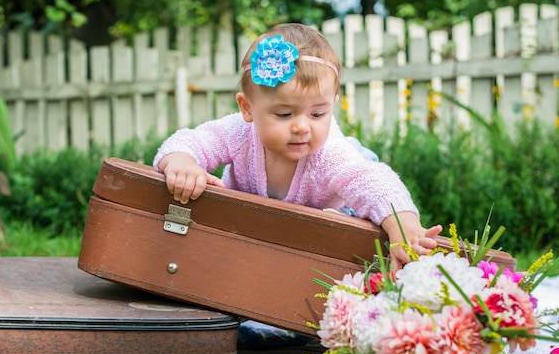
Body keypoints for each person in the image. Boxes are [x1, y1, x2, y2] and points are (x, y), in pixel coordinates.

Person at [153, 23, 441, 269]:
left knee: (353, 196)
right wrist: (182, 162)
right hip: (255, 231)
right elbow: (192, 140)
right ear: (248, 108)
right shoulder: (240, 133)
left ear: (332, 107)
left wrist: (403, 228)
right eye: (284, 114)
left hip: (319, 233)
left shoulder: (327, 153)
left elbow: (375, 183)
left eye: (318, 114)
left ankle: (344, 219)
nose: (302, 126)